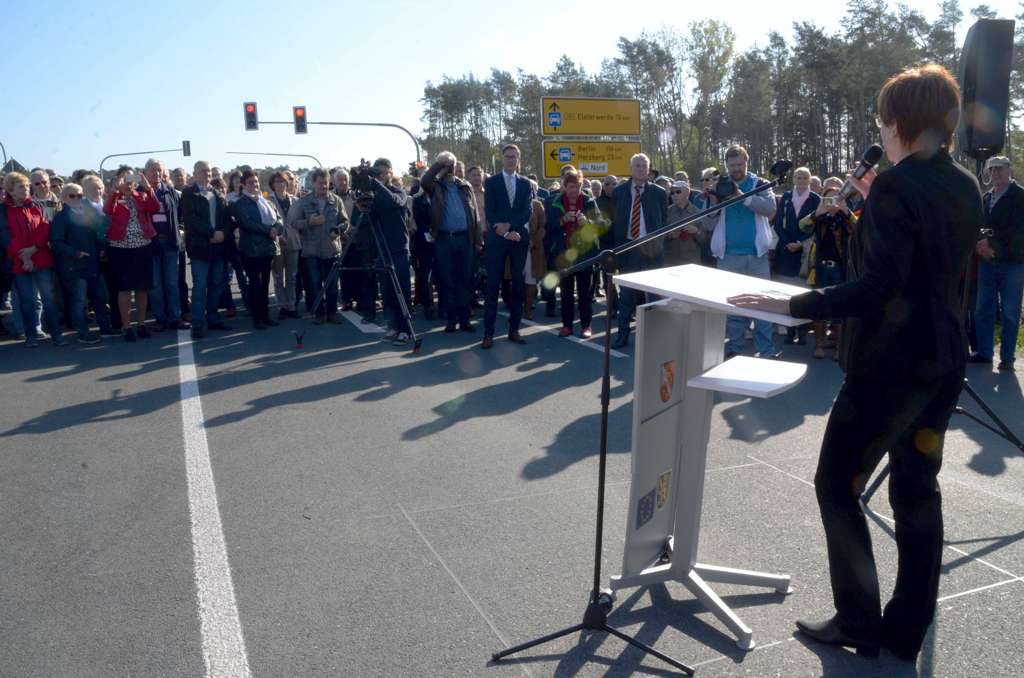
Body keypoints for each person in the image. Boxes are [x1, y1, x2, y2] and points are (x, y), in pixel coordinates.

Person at [729, 63, 983, 663]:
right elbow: (928, 266)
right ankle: (905, 629)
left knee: (836, 486)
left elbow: (879, 287)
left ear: (899, 120)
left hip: (890, 369)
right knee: (918, 491)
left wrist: (794, 302)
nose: (880, 128)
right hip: (943, 361)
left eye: (883, 118)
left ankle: (858, 619)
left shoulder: (897, 185)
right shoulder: (965, 183)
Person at [705, 145, 778, 358]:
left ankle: (766, 350)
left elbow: (769, 209)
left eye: (740, 164)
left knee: (762, 304)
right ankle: (735, 349)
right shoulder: (719, 185)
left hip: (757, 255)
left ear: (747, 162)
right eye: (732, 165)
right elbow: (708, 225)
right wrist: (715, 203)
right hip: (728, 255)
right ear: (726, 165)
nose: (736, 169)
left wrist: (742, 196)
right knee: (733, 305)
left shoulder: (760, 183)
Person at [607, 153, 667, 349]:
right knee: (626, 296)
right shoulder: (619, 192)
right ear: (631, 168)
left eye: (644, 166)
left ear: (648, 169)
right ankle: (622, 335)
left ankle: (655, 337)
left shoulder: (658, 192)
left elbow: (663, 221)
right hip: (628, 248)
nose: (641, 169)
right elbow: (614, 221)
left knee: (653, 297)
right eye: (637, 166)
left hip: (651, 251)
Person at [0, 172, 66, 346]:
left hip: (41, 258)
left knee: (48, 299)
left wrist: (34, 248)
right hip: (20, 263)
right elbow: (7, 238)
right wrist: (24, 257)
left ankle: (56, 334)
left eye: (27, 186)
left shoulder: (33, 206)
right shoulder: (3, 211)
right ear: (11, 190)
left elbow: (44, 228)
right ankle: (31, 336)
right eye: (21, 186)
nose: (26, 189)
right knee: (27, 301)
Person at [970, 155, 1023, 372]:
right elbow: (978, 225)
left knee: (1010, 311)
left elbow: (1019, 231)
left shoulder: (1020, 196)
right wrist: (979, 244)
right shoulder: (986, 198)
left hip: (1013, 263)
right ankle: (984, 352)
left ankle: (1008, 357)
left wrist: (992, 244)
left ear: (1009, 170)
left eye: (1000, 169)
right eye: (992, 170)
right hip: (987, 263)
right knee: (983, 309)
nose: (996, 173)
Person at [353, 158, 413, 345]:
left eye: (384, 173)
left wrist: (378, 185)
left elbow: (396, 202)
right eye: (377, 173)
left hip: (399, 248)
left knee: (401, 290)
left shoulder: (398, 191)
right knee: (387, 292)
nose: (380, 176)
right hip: (382, 250)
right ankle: (394, 327)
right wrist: (360, 206)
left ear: (391, 173)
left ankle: (406, 330)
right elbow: (362, 222)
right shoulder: (376, 197)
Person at [482, 144, 535, 349]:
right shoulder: (492, 182)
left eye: (514, 157)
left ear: (519, 159)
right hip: (497, 240)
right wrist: (503, 231)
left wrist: (511, 228)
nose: (511, 160)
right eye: (507, 156)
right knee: (493, 285)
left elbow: (527, 211)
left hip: (518, 238)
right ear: (502, 159)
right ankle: (488, 334)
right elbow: (491, 211)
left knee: (518, 287)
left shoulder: (526, 184)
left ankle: (514, 330)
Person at [420, 152, 480, 332]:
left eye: (451, 165)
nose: (450, 169)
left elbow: (475, 214)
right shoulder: (435, 186)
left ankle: (464, 319)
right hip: (444, 239)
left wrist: (478, 240)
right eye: (447, 166)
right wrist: (439, 164)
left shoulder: (465, 186)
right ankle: (451, 320)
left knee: (465, 279)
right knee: (447, 280)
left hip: (464, 238)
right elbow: (425, 181)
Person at [48, 182, 113, 343]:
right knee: (79, 302)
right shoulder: (61, 217)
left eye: (79, 195)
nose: (77, 198)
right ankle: (83, 333)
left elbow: (97, 234)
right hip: (73, 267)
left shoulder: (87, 214)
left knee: (101, 297)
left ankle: (105, 328)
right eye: (72, 195)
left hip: (92, 264)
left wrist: (102, 247)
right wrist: (75, 253)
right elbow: (56, 242)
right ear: (64, 198)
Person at [104, 166, 159, 342]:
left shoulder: (141, 196)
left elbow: (155, 207)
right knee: (125, 289)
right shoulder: (114, 197)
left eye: (131, 179)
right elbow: (107, 211)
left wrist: (147, 187)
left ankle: (141, 324)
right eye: (124, 179)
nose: (128, 183)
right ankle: (127, 326)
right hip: (121, 247)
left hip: (142, 245)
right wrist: (115, 191)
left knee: (142, 287)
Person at [799, 180, 853, 358]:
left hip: (840, 269)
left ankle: (839, 347)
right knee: (819, 306)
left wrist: (845, 210)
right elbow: (803, 226)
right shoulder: (819, 217)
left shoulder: (846, 217)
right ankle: (819, 345)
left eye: (836, 199)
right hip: (820, 269)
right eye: (828, 199)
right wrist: (818, 212)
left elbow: (860, 228)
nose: (832, 203)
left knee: (840, 308)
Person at [289, 168, 349, 325]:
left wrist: (338, 230)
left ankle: (332, 313)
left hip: (332, 249)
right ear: (313, 183)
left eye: (326, 183)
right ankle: (318, 313)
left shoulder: (336, 200)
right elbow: (294, 223)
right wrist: (309, 222)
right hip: (312, 251)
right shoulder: (304, 201)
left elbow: (345, 222)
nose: (324, 186)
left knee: (332, 285)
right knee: (315, 285)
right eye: (320, 183)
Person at [545, 170, 601, 337]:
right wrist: (563, 220)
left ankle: (586, 326)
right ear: (564, 186)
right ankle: (567, 326)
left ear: (581, 186)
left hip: (585, 254)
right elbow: (549, 226)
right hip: (564, 255)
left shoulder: (589, 201)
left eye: (576, 187)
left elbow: (599, 225)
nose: (574, 190)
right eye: (570, 187)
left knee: (585, 294)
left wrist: (587, 222)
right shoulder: (555, 201)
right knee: (566, 293)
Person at [180, 161, 231, 339]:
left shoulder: (217, 193)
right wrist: (211, 233)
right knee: (200, 286)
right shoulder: (188, 193)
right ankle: (198, 323)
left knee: (217, 285)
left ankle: (213, 318)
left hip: (218, 247)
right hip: (200, 248)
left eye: (209, 171)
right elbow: (190, 219)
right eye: (203, 171)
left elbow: (226, 217)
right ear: (194, 173)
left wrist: (223, 233)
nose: (207, 174)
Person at [773, 167, 821, 345]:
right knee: (786, 292)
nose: (801, 181)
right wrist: (788, 243)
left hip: (804, 252)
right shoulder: (786, 197)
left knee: (803, 293)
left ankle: (802, 332)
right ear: (793, 179)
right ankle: (789, 331)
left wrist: (800, 243)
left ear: (809, 180)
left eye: (804, 178)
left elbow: (816, 225)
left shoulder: (816, 199)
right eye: (798, 177)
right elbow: (778, 223)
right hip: (785, 250)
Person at [144, 159, 189, 331]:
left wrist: (181, 230)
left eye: (159, 170)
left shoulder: (171, 191)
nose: (156, 173)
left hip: (170, 243)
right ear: (146, 172)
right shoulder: (140, 192)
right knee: (155, 285)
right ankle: (160, 319)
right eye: (153, 170)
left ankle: (175, 317)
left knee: (172, 282)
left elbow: (181, 215)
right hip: (150, 245)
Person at [234, 170, 282, 330]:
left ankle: (265, 315)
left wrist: (277, 228)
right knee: (255, 283)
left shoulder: (265, 200)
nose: (254, 185)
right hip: (251, 250)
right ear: (243, 185)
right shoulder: (240, 204)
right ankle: (257, 318)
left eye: (255, 181)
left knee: (265, 284)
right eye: (250, 182)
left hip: (267, 249)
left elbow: (278, 217)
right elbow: (246, 223)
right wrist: (268, 231)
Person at [266, 172, 300, 320]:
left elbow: (301, 220)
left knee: (292, 276)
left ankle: (291, 306)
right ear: (272, 185)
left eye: (283, 182)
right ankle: (282, 306)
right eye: (277, 182)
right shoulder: (267, 201)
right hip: (276, 242)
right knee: (278, 277)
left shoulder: (296, 201)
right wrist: (278, 236)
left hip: (293, 242)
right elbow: (267, 222)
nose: (280, 185)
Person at [664, 180, 704, 267]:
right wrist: (669, 235)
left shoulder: (698, 213)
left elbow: (705, 240)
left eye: (678, 192)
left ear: (687, 193)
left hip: (691, 261)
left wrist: (696, 231)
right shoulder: (666, 212)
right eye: (672, 192)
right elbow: (657, 237)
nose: (674, 195)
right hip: (670, 261)